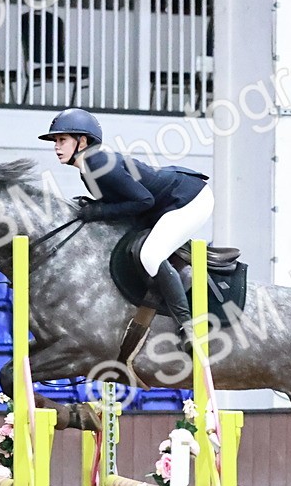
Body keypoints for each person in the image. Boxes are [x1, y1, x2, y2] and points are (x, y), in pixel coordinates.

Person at [39, 108, 213, 354]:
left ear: (83, 141)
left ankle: (188, 326)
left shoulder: (97, 163)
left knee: (151, 255)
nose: (56, 147)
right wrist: (97, 208)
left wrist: (97, 211)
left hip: (189, 199)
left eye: (62, 140)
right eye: (56, 141)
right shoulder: (88, 170)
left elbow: (143, 201)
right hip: (166, 203)